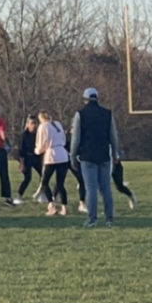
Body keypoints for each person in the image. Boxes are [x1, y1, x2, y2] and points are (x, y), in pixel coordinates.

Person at [70, 87, 121, 228]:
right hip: (104, 156)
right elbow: (113, 136)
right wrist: (116, 153)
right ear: (97, 98)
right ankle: (109, 218)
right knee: (106, 188)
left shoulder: (80, 114)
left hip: (87, 157)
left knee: (91, 188)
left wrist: (73, 155)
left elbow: (76, 138)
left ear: (85, 99)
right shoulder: (107, 114)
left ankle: (92, 219)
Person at [35, 110, 70, 216]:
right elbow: (63, 139)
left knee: (44, 182)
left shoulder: (43, 126)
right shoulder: (57, 124)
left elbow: (42, 142)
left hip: (51, 156)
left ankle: (51, 205)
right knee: (60, 184)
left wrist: (37, 151)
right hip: (63, 155)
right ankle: (64, 207)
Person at [14, 115, 41, 204]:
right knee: (28, 178)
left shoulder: (38, 134)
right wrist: (22, 163)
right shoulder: (24, 135)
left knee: (44, 176)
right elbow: (20, 150)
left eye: (35, 123)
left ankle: (42, 194)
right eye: (32, 123)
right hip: (26, 158)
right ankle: (19, 196)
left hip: (36, 157)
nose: (34, 125)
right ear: (28, 124)